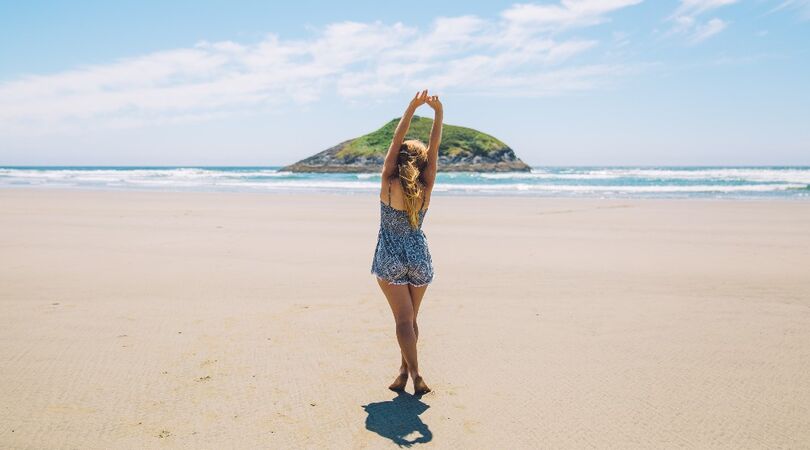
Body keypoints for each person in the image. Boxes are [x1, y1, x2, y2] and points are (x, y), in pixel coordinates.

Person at [370, 89, 443, 395]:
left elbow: (395, 142)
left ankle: (415, 374)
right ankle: (403, 370)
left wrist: (411, 109)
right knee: (411, 320)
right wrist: (439, 113)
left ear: (398, 159)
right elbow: (435, 147)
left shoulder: (388, 182)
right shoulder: (425, 186)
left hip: (390, 255)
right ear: (423, 163)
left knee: (402, 320)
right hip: (418, 256)